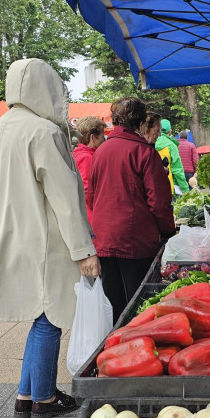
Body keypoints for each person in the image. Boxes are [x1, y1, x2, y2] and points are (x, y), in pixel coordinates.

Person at [0, 58, 99, 418]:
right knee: (50, 316)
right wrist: (84, 250)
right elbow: (65, 197)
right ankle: (44, 399)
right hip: (47, 238)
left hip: (13, 233)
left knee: (39, 314)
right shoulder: (43, 132)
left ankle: (25, 395)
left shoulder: (1, 128)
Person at [88, 97, 175, 322]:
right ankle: (134, 348)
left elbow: (90, 196)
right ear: (139, 121)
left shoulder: (100, 151)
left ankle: (114, 349)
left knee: (113, 304)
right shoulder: (144, 153)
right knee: (139, 304)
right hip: (135, 242)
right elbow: (159, 202)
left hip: (104, 239)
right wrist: (167, 232)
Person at [72, 116, 107, 226]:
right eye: (102, 137)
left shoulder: (79, 154)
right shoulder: (86, 158)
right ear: (93, 137)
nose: (104, 140)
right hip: (91, 218)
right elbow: (86, 190)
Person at [141, 112, 175, 197]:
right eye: (156, 131)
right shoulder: (142, 150)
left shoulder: (150, 147)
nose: (159, 134)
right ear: (146, 129)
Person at [155, 120, 188, 195]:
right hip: (170, 187)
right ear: (170, 131)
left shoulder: (150, 142)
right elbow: (177, 170)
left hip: (153, 187)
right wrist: (185, 189)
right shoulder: (171, 146)